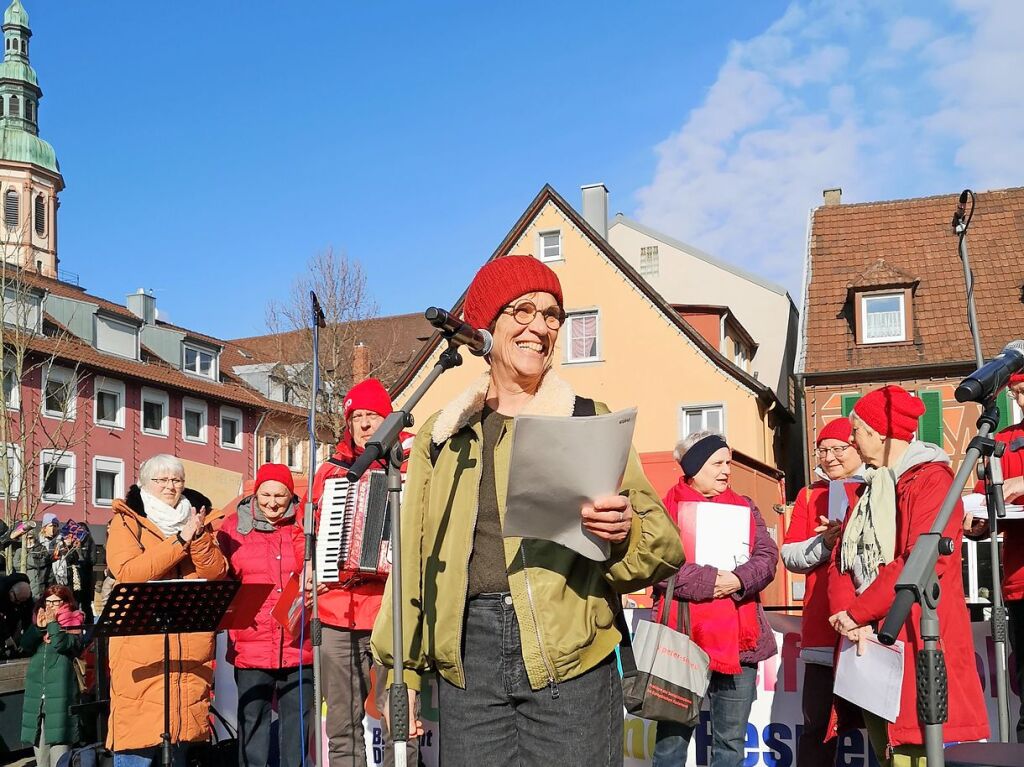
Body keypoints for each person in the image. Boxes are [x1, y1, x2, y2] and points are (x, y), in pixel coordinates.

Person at [371, 255, 685, 766]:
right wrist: (399, 671)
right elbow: (413, 559)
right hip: (467, 662)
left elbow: (665, 547)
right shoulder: (441, 435)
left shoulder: (587, 419)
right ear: (485, 327)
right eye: (522, 311)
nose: (540, 326)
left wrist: (623, 533)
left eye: (552, 315)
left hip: (570, 658)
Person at [828, 385, 988, 765]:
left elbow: (922, 561)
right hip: (869, 637)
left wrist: (858, 613)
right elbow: (843, 558)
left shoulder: (931, 481)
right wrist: (848, 618)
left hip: (912, 633)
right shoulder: (873, 486)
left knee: (909, 751)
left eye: (857, 430)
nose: (851, 440)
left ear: (880, 434)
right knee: (886, 751)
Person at [301, 376, 417, 767]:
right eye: (358, 417)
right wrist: (312, 565)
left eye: (374, 415)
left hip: (392, 610)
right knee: (341, 720)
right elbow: (313, 536)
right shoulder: (329, 473)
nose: (366, 424)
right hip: (336, 612)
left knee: (400, 718)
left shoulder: (411, 463)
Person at [652, 431, 779, 767]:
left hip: (740, 643)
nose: (727, 470)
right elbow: (659, 568)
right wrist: (712, 583)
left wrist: (737, 580)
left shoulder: (746, 507)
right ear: (694, 468)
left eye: (729, 463)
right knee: (670, 743)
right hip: (682, 640)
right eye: (718, 463)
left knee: (730, 745)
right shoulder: (666, 511)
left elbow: (767, 556)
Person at [105, 454, 228, 766]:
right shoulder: (126, 520)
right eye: (161, 480)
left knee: (182, 738)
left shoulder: (199, 518)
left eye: (176, 480)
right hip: (142, 644)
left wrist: (198, 538)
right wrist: (179, 539)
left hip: (189, 646)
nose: (170, 486)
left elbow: (216, 573)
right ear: (145, 484)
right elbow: (130, 572)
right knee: (139, 741)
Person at [218, 463, 312, 767]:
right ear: (255, 493)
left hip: (300, 643)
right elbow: (220, 578)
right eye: (265, 494)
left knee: (297, 725)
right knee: (253, 722)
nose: (272, 502)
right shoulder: (232, 527)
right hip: (252, 644)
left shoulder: (306, 525)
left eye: (280, 496)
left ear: (291, 496)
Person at [781, 417, 861, 767]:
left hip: (869, 625)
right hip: (821, 628)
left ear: (857, 446)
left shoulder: (881, 486)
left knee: (878, 729)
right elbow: (790, 555)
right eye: (823, 450)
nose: (829, 457)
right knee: (816, 728)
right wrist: (825, 543)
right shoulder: (810, 493)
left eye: (838, 449)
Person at [964, 372, 1024, 742]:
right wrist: (977, 521)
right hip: (1020, 582)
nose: (1020, 399)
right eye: (1016, 392)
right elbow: (984, 495)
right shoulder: (1004, 442)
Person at [20, 584, 85, 767]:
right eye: (47, 602)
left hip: (61, 698)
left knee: (60, 758)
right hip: (37, 698)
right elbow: (25, 645)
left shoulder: (75, 622)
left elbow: (62, 645)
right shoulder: (39, 620)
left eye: (56, 602)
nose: (51, 606)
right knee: (42, 759)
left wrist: (53, 625)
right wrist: (39, 629)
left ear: (66, 602)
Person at [53, 520, 97, 624]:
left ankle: (89, 627)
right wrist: (69, 547)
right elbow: (67, 560)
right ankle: (75, 625)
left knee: (86, 604)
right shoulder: (70, 542)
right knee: (73, 603)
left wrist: (80, 551)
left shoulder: (90, 542)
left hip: (85, 578)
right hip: (73, 578)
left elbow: (92, 561)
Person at [27, 513, 61, 599]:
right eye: (50, 526)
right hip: (40, 581)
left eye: (56, 526)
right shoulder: (36, 542)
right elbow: (35, 562)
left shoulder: (61, 542)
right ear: (44, 527)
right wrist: (52, 558)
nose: (53, 528)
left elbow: (73, 560)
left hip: (58, 581)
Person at [0, 571, 33, 658]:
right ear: (11, 592)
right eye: (17, 600)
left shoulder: (25, 595)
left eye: (22, 601)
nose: (18, 603)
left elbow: (28, 617)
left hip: (11, 614)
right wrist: (7, 637)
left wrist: (26, 641)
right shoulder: (1, 589)